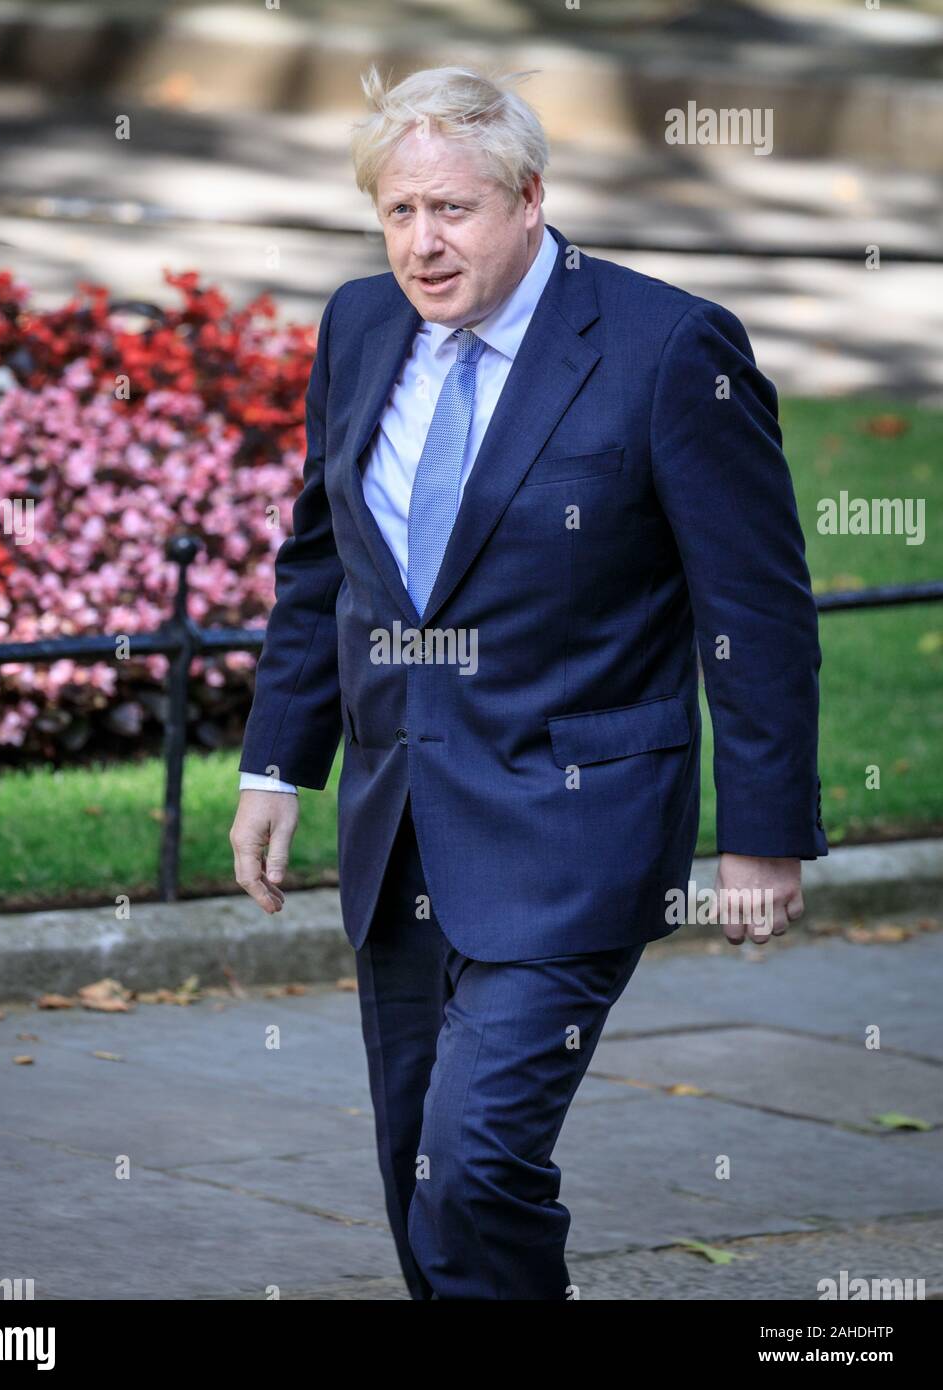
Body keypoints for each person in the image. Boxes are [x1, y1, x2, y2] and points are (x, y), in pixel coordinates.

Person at [229, 63, 828, 1301]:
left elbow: (754, 608)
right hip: (401, 828)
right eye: (398, 212)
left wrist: (764, 834)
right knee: (417, 1171)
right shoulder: (357, 327)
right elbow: (319, 562)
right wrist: (277, 761)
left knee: (475, 1162)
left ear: (530, 199)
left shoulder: (667, 347)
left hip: (575, 825)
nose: (421, 243)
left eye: (451, 210)